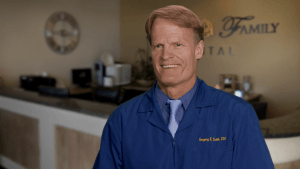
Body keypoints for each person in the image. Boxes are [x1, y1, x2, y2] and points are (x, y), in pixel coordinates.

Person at [93, 5, 274, 169]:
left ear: (199, 50)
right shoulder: (121, 120)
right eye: (158, 46)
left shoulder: (237, 114)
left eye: (177, 45)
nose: (166, 55)